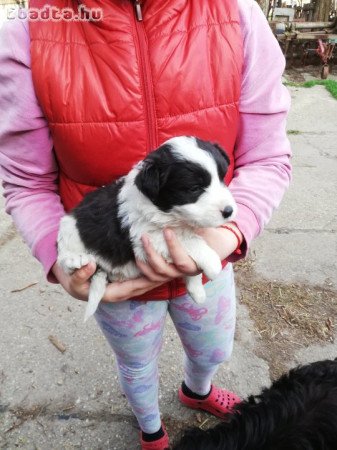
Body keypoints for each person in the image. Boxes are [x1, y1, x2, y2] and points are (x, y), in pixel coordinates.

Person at [0, 0, 291, 448]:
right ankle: (150, 427)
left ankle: (198, 390)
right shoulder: (29, 26)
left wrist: (232, 232)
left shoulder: (237, 13)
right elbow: (25, 179)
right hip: (116, 272)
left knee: (213, 347)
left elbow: (267, 155)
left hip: (208, 253)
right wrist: (62, 262)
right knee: (136, 365)